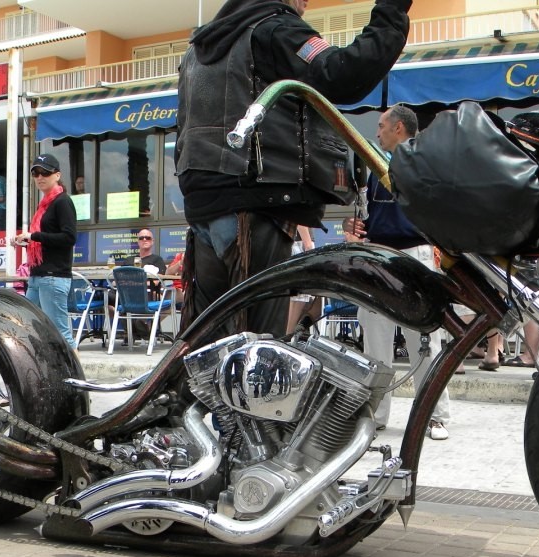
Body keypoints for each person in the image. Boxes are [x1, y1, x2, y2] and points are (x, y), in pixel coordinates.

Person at [175, 0, 411, 338]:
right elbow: (342, 73)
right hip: (257, 203)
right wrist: (392, 10)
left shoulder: (200, 48)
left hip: (204, 210)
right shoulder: (274, 29)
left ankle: (192, 375)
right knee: (258, 343)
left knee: (209, 339)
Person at [351, 104, 452, 441]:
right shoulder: (376, 165)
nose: (377, 132)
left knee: (424, 340)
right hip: (379, 254)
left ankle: (434, 416)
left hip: (415, 253)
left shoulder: (423, 162)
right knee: (374, 341)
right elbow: (369, 214)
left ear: (398, 128)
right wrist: (356, 227)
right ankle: (375, 416)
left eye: (381, 125)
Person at [14, 154, 77, 346]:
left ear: (57, 175)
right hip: (38, 275)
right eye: (36, 173)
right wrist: (26, 241)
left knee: (60, 333)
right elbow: (46, 240)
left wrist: (34, 236)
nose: (40, 177)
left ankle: (74, 365)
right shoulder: (44, 205)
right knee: (29, 328)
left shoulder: (62, 201)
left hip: (53, 276)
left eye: (45, 173)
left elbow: (69, 238)